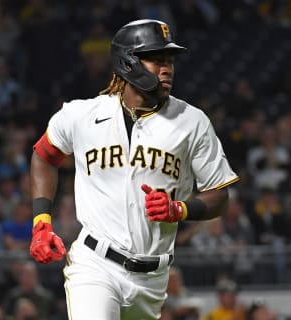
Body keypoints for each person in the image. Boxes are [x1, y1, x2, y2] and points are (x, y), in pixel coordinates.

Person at [28, 19, 239, 320]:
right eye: (156, 59)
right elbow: (43, 156)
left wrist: (179, 209)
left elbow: (219, 195)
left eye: (170, 61)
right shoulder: (82, 115)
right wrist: (41, 221)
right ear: (127, 63)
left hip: (152, 279)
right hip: (95, 265)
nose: (167, 68)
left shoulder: (192, 122)